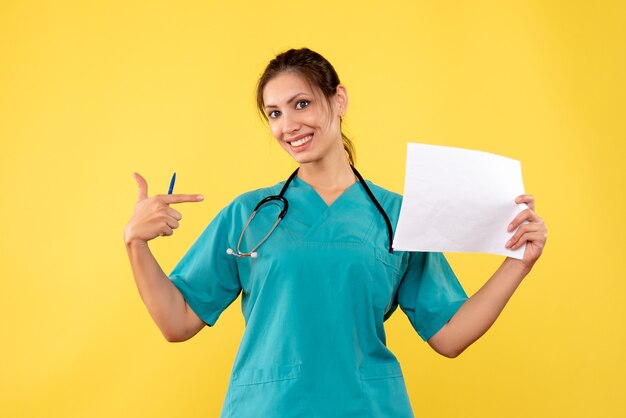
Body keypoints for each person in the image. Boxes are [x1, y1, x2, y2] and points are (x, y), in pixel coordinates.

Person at [124, 48, 547, 417]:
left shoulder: (396, 215)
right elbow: (177, 322)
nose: (288, 124)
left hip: (367, 407)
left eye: (301, 103)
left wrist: (517, 264)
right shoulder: (248, 214)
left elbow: (450, 335)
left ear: (338, 99)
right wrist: (136, 243)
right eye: (274, 113)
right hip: (270, 409)